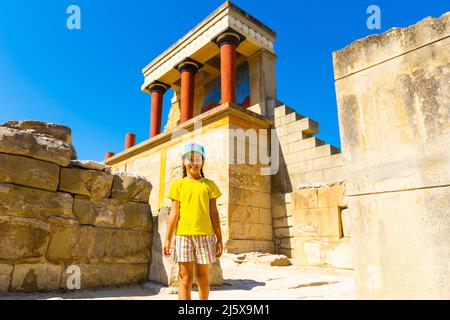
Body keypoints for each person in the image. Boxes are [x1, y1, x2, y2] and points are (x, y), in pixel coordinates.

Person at [163, 142, 223, 300]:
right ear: (183, 162)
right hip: (183, 236)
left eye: (197, 158)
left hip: (205, 235)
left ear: (203, 161)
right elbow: (174, 213)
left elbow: (214, 213)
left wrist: (219, 239)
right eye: (189, 159)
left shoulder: (209, 185)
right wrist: (168, 238)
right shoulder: (178, 185)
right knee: (185, 277)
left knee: (202, 277)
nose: (193, 163)